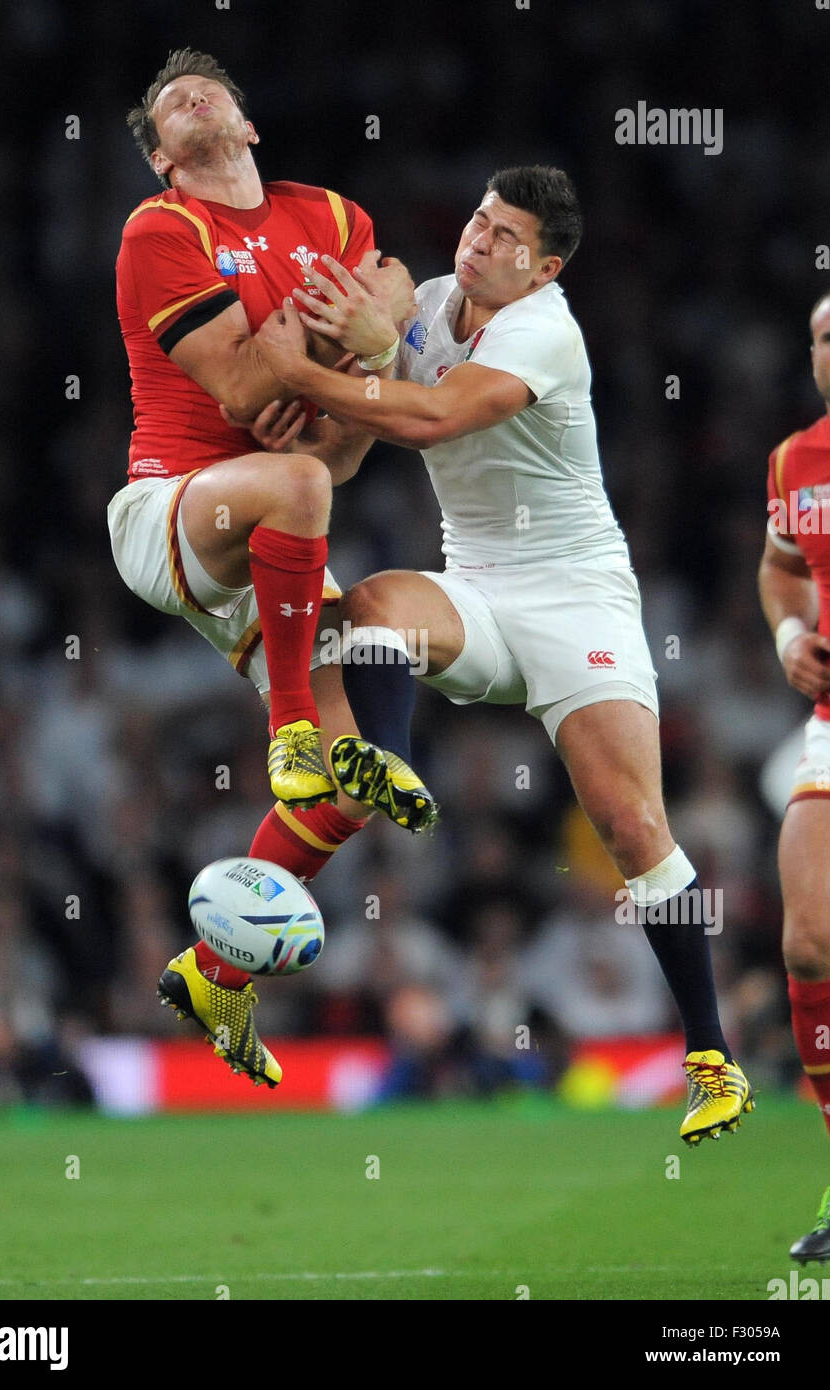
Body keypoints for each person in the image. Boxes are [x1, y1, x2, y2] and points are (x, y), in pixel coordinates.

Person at [255, 164, 753, 1144]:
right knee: (374, 604)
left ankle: (710, 1059)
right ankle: (383, 759)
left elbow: (433, 415)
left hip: (578, 602)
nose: (478, 242)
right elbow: (375, 408)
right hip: (476, 586)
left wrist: (306, 376)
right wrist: (308, 434)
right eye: (479, 222)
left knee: (628, 824)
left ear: (545, 266)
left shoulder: (545, 331)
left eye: (504, 238)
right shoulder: (433, 305)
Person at [110, 49, 414, 1088]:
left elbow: (382, 343)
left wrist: (348, 369)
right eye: (167, 108)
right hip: (172, 509)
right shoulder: (162, 231)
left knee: (351, 784)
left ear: (245, 123)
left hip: (276, 535)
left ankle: (209, 970)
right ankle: (283, 725)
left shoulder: (326, 215)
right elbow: (247, 389)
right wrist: (358, 360)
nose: (189, 100)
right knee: (295, 481)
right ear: (162, 157)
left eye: (207, 91)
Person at [758, 292, 830, 1261]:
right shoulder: (793, 461)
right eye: (820, 332)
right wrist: (785, 634)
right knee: (809, 939)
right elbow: (780, 567)